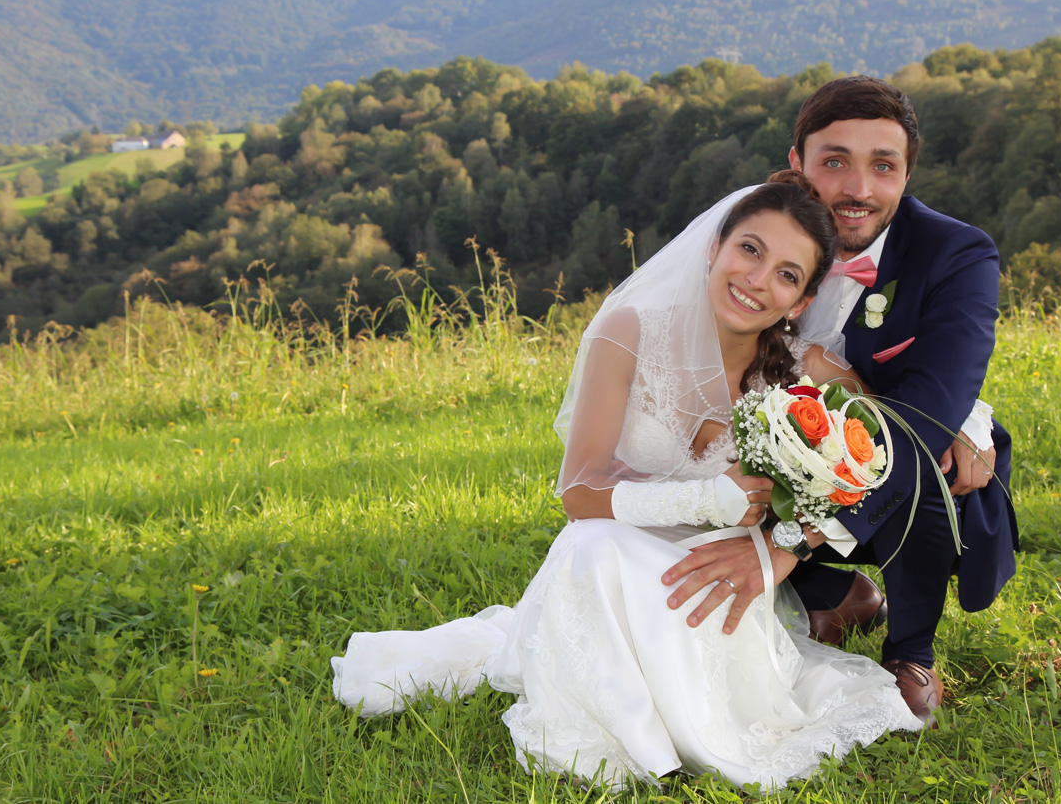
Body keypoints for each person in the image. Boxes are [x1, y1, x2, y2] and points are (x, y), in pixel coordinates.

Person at [330, 172, 923, 792]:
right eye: (750, 249)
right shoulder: (629, 332)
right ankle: (627, 738)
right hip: (609, 557)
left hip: (718, 576)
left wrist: (787, 547)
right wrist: (707, 495)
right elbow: (579, 495)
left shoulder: (809, 374)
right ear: (715, 246)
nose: (756, 279)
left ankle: (657, 729)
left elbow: (881, 465)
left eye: (786, 274)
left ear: (800, 302)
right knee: (589, 543)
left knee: (590, 549)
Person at [661, 76, 1017, 728]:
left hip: (894, 452)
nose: (858, 189)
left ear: (907, 172)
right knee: (709, 450)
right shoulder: (756, 236)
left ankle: (910, 652)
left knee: (928, 461)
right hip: (774, 435)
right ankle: (835, 593)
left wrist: (787, 545)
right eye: (834, 162)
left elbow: (919, 419)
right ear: (796, 162)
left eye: (883, 166)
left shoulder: (956, 255)